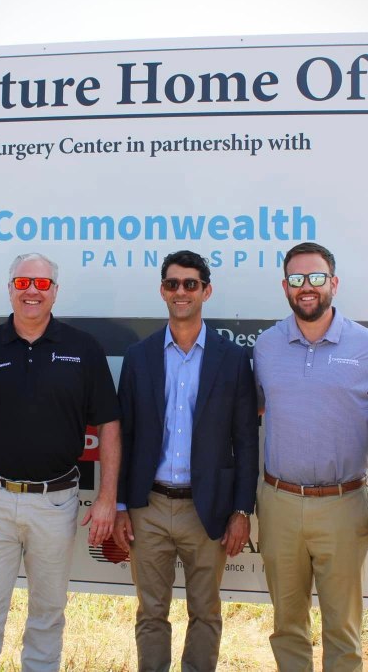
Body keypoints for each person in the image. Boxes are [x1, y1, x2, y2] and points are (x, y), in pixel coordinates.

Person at [0, 252, 120, 672]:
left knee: (48, 615)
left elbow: (110, 426)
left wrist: (107, 498)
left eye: (42, 284)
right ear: (10, 288)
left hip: (56, 502)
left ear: (55, 292)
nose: (32, 292)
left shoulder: (83, 349)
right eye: (23, 283)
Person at [253, 241, 368, 672]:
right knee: (287, 627)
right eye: (297, 279)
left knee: (344, 631)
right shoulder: (266, 346)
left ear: (334, 282)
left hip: (343, 504)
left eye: (316, 277)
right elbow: (253, 413)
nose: (307, 287)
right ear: (285, 287)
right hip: (279, 503)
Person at [113, 250, 259, 672]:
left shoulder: (233, 359)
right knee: (150, 612)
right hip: (149, 507)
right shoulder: (139, 356)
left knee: (206, 612)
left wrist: (241, 510)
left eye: (190, 284)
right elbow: (124, 436)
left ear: (206, 291)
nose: (181, 291)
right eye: (173, 283)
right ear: (162, 291)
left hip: (207, 507)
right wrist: (120, 504)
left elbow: (246, 440)